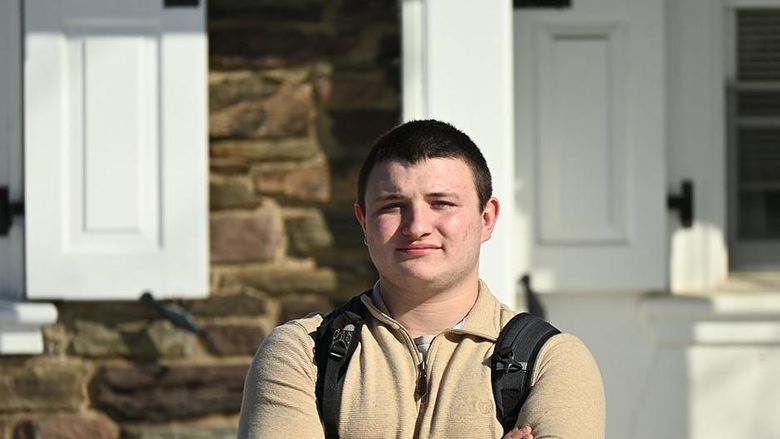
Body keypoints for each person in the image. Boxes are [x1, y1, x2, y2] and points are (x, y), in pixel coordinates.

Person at [237, 120, 605, 438]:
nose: (416, 227)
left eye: (441, 203)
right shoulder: (302, 354)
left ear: (486, 218)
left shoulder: (550, 361)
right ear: (364, 222)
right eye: (392, 206)